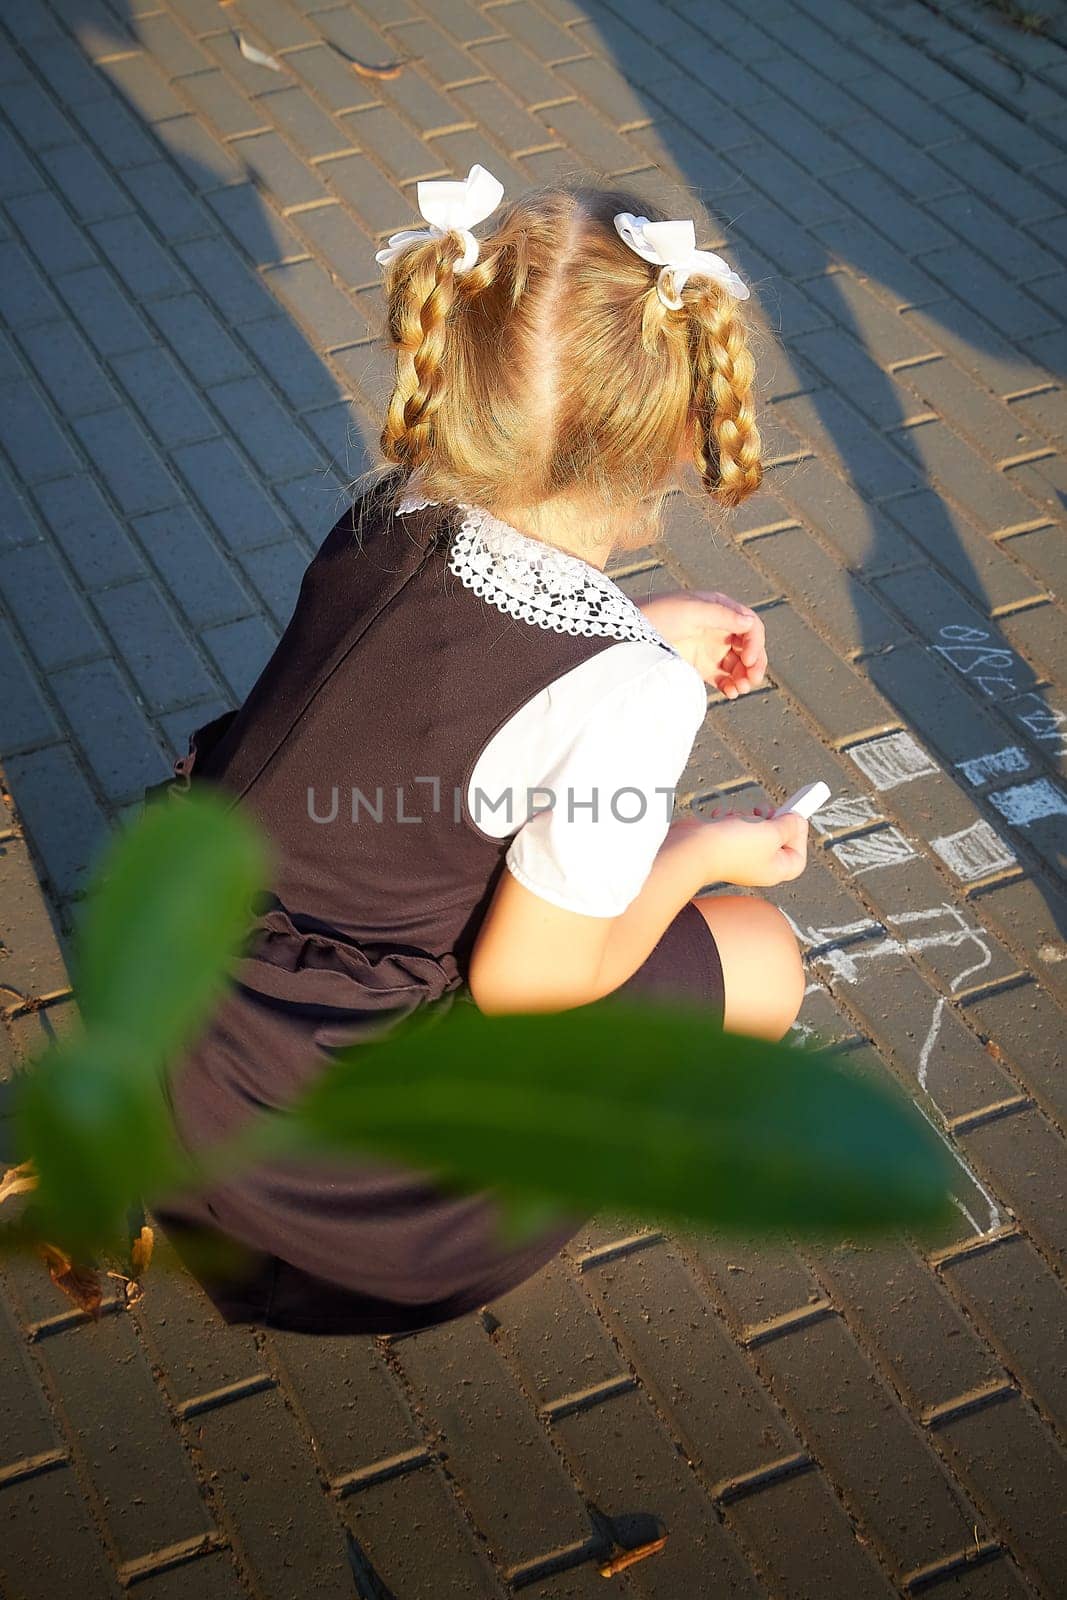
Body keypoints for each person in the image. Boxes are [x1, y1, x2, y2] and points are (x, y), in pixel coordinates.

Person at [150, 168, 808, 1336]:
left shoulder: (385, 513)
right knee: (758, 959)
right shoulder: (630, 697)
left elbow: (435, 680)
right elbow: (526, 986)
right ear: (671, 436)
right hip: (341, 1217)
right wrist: (706, 852)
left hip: (185, 1060)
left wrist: (638, 625)